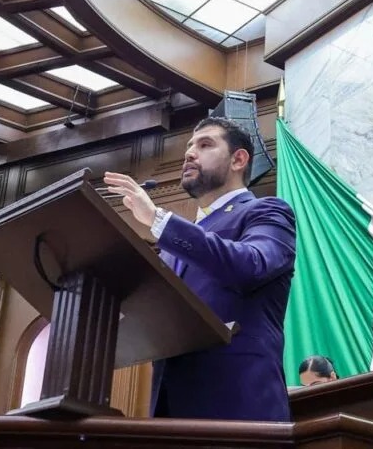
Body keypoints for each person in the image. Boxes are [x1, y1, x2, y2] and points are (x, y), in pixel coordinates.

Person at [104, 116, 296, 422]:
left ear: (238, 160)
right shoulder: (172, 245)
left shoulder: (267, 211)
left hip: (238, 405)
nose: (190, 153)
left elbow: (251, 265)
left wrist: (157, 219)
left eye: (205, 145)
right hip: (171, 412)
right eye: (189, 147)